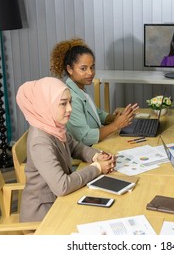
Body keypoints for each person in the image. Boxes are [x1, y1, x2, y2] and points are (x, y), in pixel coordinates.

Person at [16, 77, 116, 222]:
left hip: (60, 202)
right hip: (44, 215)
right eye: (63, 104)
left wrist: (97, 156)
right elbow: (62, 186)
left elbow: (74, 146)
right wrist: (97, 168)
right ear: (46, 105)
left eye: (70, 102)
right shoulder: (40, 141)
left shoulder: (53, 127)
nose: (69, 108)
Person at [50, 39, 138, 146]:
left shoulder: (80, 89)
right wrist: (116, 125)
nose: (90, 73)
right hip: (86, 151)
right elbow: (85, 138)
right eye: (83, 69)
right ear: (70, 69)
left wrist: (115, 118)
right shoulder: (71, 98)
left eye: (92, 67)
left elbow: (97, 114)